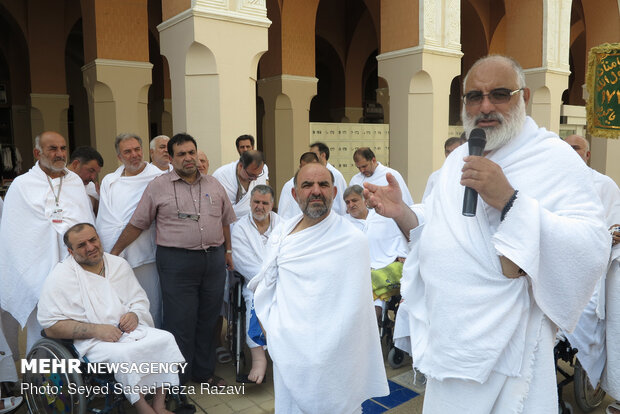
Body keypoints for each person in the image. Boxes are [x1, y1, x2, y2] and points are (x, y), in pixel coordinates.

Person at [364, 55, 611, 412]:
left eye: (499, 94)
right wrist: (400, 212)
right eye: (473, 96)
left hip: (511, 342)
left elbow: (591, 244)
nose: (485, 106)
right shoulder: (457, 160)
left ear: (523, 96)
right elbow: (434, 228)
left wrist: (510, 200)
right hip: (451, 336)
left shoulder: (554, 158)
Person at [248, 163, 388, 413]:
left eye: (323, 185)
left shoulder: (352, 240)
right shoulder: (282, 232)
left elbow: (356, 312)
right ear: (294, 194)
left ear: (334, 192)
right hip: (288, 349)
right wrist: (273, 333)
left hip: (335, 358)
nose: (316, 191)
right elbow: (266, 286)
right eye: (307, 185)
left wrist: (323, 350)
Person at [110, 133, 235, 386]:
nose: (188, 158)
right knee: (180, 321)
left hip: (212, 261)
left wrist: (228, 252)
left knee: (209, 319)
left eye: (192, 153)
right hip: (176, 263)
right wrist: (113, 253)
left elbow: (225, 222)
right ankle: (177, 379)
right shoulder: (158, 186)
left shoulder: (214, 185)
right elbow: (138, 223)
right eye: (181, 154)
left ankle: (204, 373)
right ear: (172, 158)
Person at [38, 223, 184, 414]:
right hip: (92, 340)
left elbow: (138, 300)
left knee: (165, 338)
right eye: (81, 245)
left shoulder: (118, 264)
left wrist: (135, 314)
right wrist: (97, 330)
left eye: (93, 240)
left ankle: (160, 404)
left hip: (128, 330)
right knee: (124, 355)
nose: (90, 247)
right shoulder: (60, 277)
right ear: (70, 251)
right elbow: (51, 326)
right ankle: (143, 407)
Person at [0, 131, 95, 351]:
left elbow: (86, 223)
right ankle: (41, 382)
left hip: (75, 270)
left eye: (63, 148)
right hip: (37, 274)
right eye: (53, 149)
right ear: (37, 153)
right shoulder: (21, 185)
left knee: (80, 325)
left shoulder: (74, 183)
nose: (60, 154)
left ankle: (76, 379)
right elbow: (14, 237)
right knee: (42, 329)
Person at [564, 134, 620, 414]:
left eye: (575, 147)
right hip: (561, 265)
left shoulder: (604, 185)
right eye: (566, 147)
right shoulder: (555, 183)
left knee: (588, 311)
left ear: (587, 154)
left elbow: (615, 226)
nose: (570, 151)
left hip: (594, 268)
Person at [96, 133, 166, 328]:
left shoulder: (158, 178)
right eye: (127, 151)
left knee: (150, 304)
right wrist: (110, 250)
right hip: (114, 255)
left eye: (137, 149)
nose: (134, 154)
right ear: (119, 157)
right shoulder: (110, 180)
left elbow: (146, 218)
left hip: (146, 256)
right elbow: (105, 219)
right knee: (120, 306)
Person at [231, 185, 280, 384]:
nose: (259, 207)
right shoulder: (239, 228)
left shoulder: (283, 225)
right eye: (256, 202)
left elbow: (290, 255)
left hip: (283, 282)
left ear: (272, 204)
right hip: (256, 283)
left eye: (264, 203)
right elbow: (243, 261)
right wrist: (269, 280)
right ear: (250, 202)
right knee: (255, 300)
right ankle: (259, 360)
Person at [343, 185, 408, 322]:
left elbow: (396, 237)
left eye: (354, 200)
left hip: (386, 264)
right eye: (347, 202)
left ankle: (373, 321)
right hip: (357, 269)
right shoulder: (344, 224)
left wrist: (401, 253)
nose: (351, 204)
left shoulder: (382, 216)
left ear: (364, 201)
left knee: (376, 279)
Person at [213, 150, 267, 219]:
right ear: (241, 166)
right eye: (251, 175)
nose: (255, 179)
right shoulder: (221, 176)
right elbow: (221, 210)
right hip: (229, 224)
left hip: (255, 222)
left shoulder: (261, 172)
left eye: (258, 175)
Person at [422, 136, 467, 202]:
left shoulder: (468, 175)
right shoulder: (435, 176)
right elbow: (425, 202)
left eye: (454, 151)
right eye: (448, 152)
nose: (450, 155)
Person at [277, 152, 320, 219]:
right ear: (300, 167)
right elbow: (283, 216)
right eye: (305, 169)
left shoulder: (322, 185)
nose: (309, 172)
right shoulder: (289, 186)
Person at [309, 142, 347, 214]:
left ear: (323, 155)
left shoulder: (336, 175)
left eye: (314, 155)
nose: (311, 157)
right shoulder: (312, 173)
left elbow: (342, 203)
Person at [67, 146, 104, 214]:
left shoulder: (92, 188)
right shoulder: (55, 183)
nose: (93, 177)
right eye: (91, 170)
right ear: (75, 164)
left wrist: (103, 199)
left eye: (96, 173)